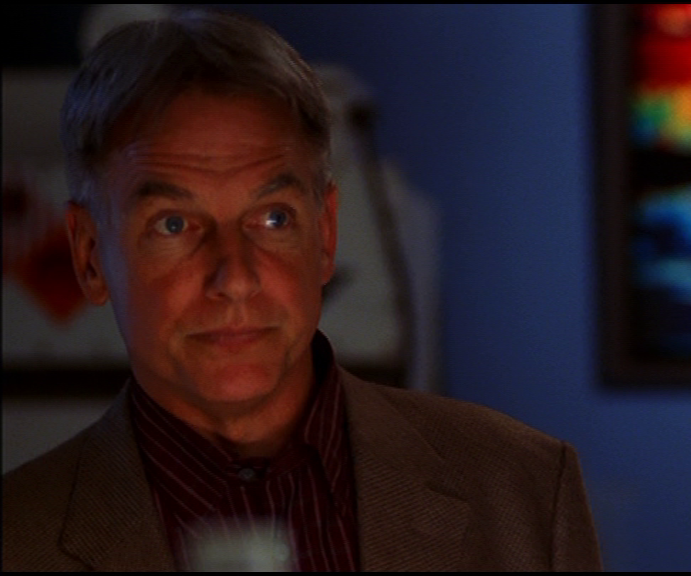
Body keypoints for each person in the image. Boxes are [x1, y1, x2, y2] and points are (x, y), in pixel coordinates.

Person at [1, 9, 602, 572]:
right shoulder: (17, 536)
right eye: (174, 225)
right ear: (89, 257)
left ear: (326, 234)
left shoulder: (522, 491)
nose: (235, 277)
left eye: (273, 218)